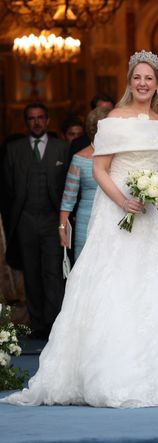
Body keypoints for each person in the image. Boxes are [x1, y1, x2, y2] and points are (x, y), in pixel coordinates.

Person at [0, 50, 158, 408]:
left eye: (149, 78)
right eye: (137, 78)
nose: (142, 83)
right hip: (117, 215)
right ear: (129, 82)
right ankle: (112, 373)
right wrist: (123, 201)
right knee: (116, 285)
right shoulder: (113, 119)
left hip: (153, 218)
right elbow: (100, 169)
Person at [3, 102, 70, 339]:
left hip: (53, 219)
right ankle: (38, 325)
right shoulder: (14, 149)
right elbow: (8, 188)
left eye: (41, 117)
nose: (37, 122)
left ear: (48, 120)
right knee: (31, 273)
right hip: (26, 220)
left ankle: (55, 324)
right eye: (31, 118)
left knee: (52, 273)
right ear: (26, 122)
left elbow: (69, 186)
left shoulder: (62, 148)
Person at [59, 106, 110, 260]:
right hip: (86, 221)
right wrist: (62, 227)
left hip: (114, 220)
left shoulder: (120, 157)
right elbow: (68, 198)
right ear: (95, 130)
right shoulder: (79, 158)